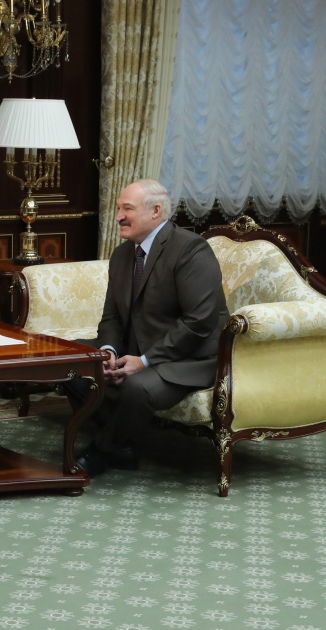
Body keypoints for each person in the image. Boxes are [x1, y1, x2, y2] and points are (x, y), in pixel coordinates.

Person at [67, 179, 228, 476]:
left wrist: (144, 361)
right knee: (70, 362)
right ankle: (123, 447)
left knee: (137, 387)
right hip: (138, 350)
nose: (118, 216)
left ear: (155, 211)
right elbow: (112, 317)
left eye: (127, 209)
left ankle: (101, 451)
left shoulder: (190, 249)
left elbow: (198, 322)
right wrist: (108, 352)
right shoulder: (122, 255)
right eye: (118, 209)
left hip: (189, 359)